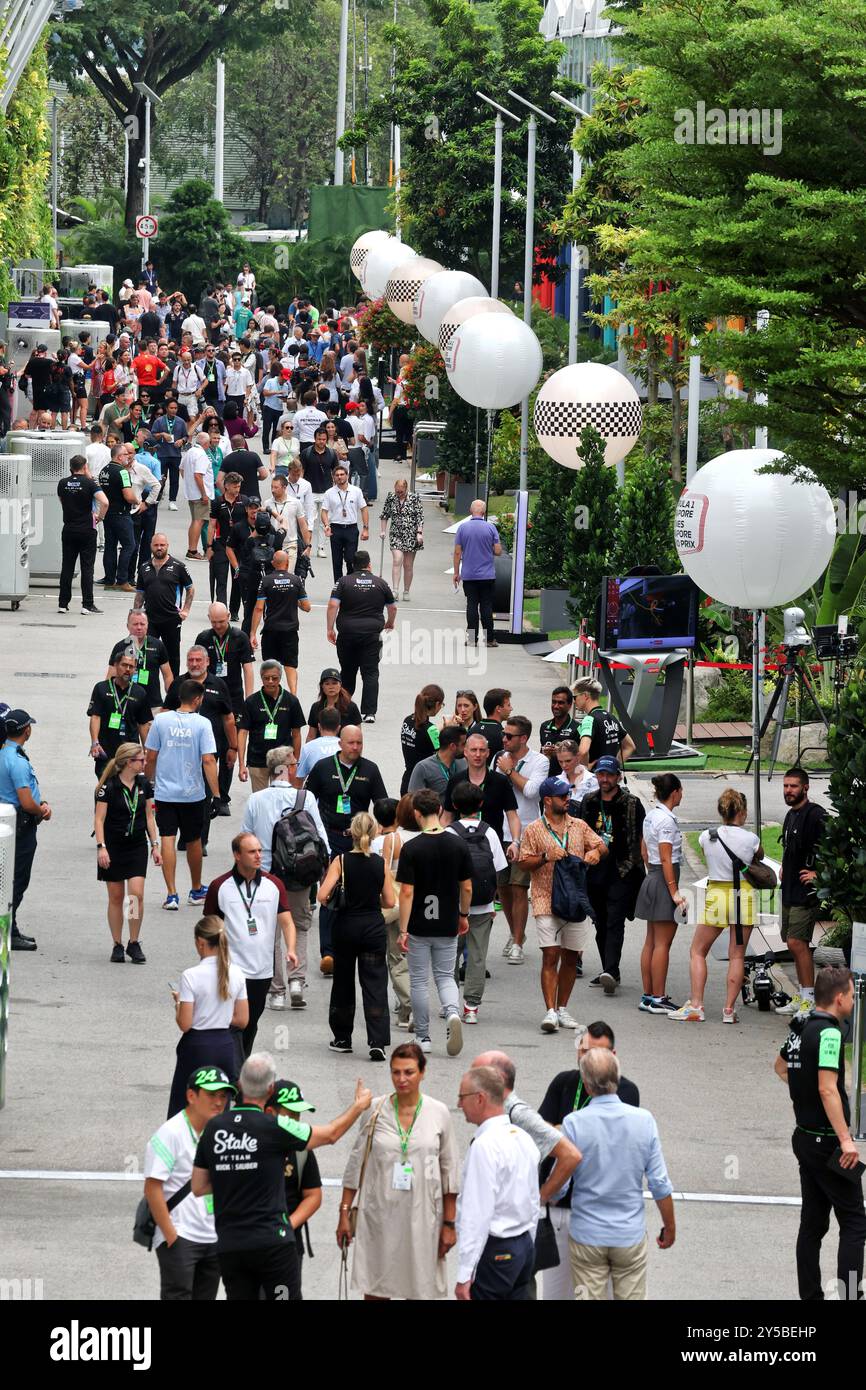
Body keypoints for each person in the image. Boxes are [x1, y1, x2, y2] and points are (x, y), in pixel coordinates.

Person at [192, 1052, 372, 1301]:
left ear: (240, 1085)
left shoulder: (214, 1128)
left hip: (231, 1243)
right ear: (270, 1088)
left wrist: (234, 1173)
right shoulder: (276, 1126)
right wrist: (359, 1106)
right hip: (272, 1245)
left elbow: (199, 1186)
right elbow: (331, 1134)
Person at [337, 1042, 460, 1299]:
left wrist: (449, 1224)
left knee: (420, 1289)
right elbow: (355, 1163)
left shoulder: (438, 1113)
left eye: (409, 1072)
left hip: (423, 1217)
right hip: (379, 1215)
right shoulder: (375, 1109)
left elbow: (449, 1171)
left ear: (422, 1073)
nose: (401, 1079)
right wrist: (344, 1213)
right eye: (396, 1072)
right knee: (376, 1288)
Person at [775, 965, 866, 1301]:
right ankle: (850, 1296)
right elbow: (829, 1089)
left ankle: (810, 1295)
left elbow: (781, 1067)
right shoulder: (830, 1033)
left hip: (804, 1136)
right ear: (839, 998)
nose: (854, 1002)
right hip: (829, 1144)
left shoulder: (800, 1028)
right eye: (853, 997)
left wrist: (807, 1092)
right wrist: (845, 1139)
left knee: (813, 1224)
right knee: (855, 1222)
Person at [557, 1048, 675, 1300]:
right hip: (628, 1235)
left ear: (587, 1086)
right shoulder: (644, 1120)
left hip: (587, 1234)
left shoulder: (573, 1123)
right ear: (617, 1079)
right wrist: (670, 1226)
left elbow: (561, 1186)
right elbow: (659, 1183)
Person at [538, 1020, 641, 1299]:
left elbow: (605, 1141)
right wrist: (569, 1134)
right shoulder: (563, 1082)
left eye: (598, 1053)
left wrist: (562, 1132)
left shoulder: (627, 1091)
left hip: (598, 1214)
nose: (589, 1060)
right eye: (585, 1052)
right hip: (560, 1211)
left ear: (614, 1057)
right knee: (555, 1295)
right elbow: (540, 1137)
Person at [241, 745, 330, 1011]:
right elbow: (320, 837)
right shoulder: (306, 798)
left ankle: (276, 990)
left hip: (265, 874)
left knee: (270, 933)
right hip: (298, 873)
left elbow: (246, 839)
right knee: (300, 926)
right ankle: (296, 981)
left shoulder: (256, 800)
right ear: (287, 769)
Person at [670, 789, 765, 1024]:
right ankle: (729, 1011)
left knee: (698, 951)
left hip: (718, 894)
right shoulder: (751, 839)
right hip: (744, 895)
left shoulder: (707, 836)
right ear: (741, 812)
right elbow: (759, 857)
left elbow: (706, 855)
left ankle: (697, 1004)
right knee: (737, 955)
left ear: (721, 811)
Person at [520, 776, 607, 1033]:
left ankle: (562, 1008)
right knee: (550, 954)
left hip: (576, 899)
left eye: (568, 795)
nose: (568, 800)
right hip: (545, 897)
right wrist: (545, 857)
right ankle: (550, 1011)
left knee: (571, 957)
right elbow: (523, 862)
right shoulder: (534, 829)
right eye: (563, 796)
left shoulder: (579, 825)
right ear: (548, 801)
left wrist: (596, 853)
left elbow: (602, 845)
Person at [144, 1066, 236, 1301]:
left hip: (213, 1237)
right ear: (191, 1096)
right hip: (180, 1236)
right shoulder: (170, 1133)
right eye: (212, 1095)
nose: (219, 1102)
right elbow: (153, 1187)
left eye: (223, 1096)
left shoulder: (223, 1134)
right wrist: (171, 1235)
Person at [204, 832, 297, 1057]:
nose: (258, 856)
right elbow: (208, 927)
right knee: (231, 1022)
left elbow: (287, 922)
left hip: (262, 971)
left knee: (250, 1022)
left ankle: (238, 1066)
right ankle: (234, 1070)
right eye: (252, 851)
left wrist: (291, 949)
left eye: (259, 851)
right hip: (230, 969)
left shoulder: (273, 885)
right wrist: (208, 961)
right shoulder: (220, 886)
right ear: (237, 855)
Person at [396, 788, 473, 1058]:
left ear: (417, 814)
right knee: (445, 975)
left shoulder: (412, 848)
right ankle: (453, 1012)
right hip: (447, 921)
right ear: (440, 810)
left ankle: (423, 1036)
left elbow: (406, 891)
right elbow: (466, 887)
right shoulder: (458, 845)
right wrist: (463, 915)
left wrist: (403, 929)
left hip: (419, 923)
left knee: (418, 979)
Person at [305, 726, 388, 976]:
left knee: (360, 894)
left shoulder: (370, 770)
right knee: (330, 894)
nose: (355, 748)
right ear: (340, 743)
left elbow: (382, 804)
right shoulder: (323, 767)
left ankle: (359, 946)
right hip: (330, 837)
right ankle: (328, 953)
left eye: (359, 743)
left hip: (359, 840)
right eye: (351, 743)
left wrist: (382, 832)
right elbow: (308, 800)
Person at [455, 1066, 540, 1300]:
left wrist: (464, 1275)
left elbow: (476, 1214)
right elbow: (534, 1201)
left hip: (496, 1251)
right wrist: (528, 1242)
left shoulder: (484, 1146)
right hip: (523, 1245)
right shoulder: (523, 1138)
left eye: (462, 1097)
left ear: (480, 1098)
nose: (459, 1104)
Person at [317, 812, 393, 1059]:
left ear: (351, 832)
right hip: (372, 927)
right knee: (375, 984)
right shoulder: (380, 862)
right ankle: (377, 1041)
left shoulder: (341, 861)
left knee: (343, 982)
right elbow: (390, 900)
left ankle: (342, 1037)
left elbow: (322, 895)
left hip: (346, 927)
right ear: (374, 833)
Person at [144, 678, 220, 911]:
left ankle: (171, 894)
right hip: (192, 794)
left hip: (165, 792)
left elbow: (151, 756)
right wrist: (216, 794)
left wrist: (148, 783)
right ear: (198, 699)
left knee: (167, 837)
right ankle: (196, 889)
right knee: (193, 840)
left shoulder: (161, 721)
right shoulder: (203, 724)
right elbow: (207, 759)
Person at [167, 917, 249, 1117]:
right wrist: (219, 1014)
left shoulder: (191, 975)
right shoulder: (237, 973)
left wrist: (179, 1003)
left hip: (197, 1047)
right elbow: (242, 1019)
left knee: (184, 1106)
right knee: (219, 1107)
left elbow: (185, 1024)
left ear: (201, 943)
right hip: (224, 1046)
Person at [580, 757, 646, 996]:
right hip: (594, 873)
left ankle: (610, 969)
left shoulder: (631, 803)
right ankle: (610, 971)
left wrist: (638, 866)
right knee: (600, 922)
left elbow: (639, 838)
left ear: (618, 776)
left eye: (609, 775)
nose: (604, 779)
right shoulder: (589, 801)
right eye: (600, 774)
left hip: (622, 871)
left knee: (615, 921)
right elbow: (580, 833)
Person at [446, 780, 508, 1026]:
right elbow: (499, 869)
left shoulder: (449, 833)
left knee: (449, 953)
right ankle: (471, 1006)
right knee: (477, 956)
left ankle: (449, 1002)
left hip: (454, 904)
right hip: (482, 905)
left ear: (453, 804)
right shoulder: (489, 832)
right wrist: (494, 901)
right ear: (481, 804)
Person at [162, 645, 236, 844]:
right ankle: (183, 834)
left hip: (209, 750)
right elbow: (165, 712)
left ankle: (199, 839)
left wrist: (233, 747)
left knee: (204, 794)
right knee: (181, 791)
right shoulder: (179, 684)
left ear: (207, 662)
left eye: (198, 660)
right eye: (191, 660)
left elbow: (228, 718)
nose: (194, 664)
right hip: (180, 749)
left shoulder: (218, 685)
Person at [93, 741, 159, 964]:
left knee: (135, 895)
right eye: (141, 760)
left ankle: (133, 941)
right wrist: (101, 848)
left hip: (137, 845)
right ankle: (117, 943)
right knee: (116, 896)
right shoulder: (108, 787)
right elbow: (99, 819)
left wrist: (156, 845)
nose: (145, 762)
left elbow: (150, 817)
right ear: (128, 762)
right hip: (112, 846)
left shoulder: (144, 784)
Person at [493, 716, 549, 965]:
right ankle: (517, 931)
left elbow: (531, 791)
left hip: (526, 832)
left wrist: (509, 771)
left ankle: (517, 942)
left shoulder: (540, 761)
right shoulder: (499, 757)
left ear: (523, 738)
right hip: (499, 831)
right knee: (502, 888)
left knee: (518, 887)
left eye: (509, 736)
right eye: (504, 735)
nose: (503, 739)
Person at [776, 768, 829, 1018]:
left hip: (806, 894)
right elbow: (790, 848)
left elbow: (836, 850)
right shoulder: (790, 816)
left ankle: (809, 999)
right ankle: (803, 994)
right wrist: (785, 868)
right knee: (791, 942)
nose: (789, 791)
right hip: (788, 890)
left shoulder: (816, 816)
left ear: (805, 787)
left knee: (798, 943)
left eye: (793, 786)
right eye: (786, 786)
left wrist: (819, 874)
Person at [264, 1079, 323, 1292]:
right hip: (248, 1245)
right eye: (290, 1115)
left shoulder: (301, 1149)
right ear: (270, 1113)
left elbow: (313, 1195)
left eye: (299, 1115)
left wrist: (287, 1226)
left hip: (286, 1247)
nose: (297, 1121)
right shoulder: (247, 1143)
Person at [634, 772, 685, 1015]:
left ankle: (648, 994)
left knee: (651, 941)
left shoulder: (651, 815)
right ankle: (658, 996)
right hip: (664, 878)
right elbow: (666, 857)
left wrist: (652, 873)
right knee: (663, 943)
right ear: (675, 792)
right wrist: (674, 891)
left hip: (652, 875)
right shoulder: (666, 820)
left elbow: (645, 850)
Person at [0, 710, 50, 951]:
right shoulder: (16, 761)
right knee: (16, 880)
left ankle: (12, 927)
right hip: (20, 826)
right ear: (26, 730)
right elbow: (26, 800)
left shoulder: (3, 753)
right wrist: (41, 811)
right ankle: (6, 931)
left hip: (8, 823)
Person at [196, 605, 254, 813]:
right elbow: (197, 667)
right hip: (209, 699)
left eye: (222, 621)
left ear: (229, 617)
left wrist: (249, 697)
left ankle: (223, 798)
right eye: (214, 622)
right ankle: (207, 793)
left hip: (234, 699)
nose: (218, 626)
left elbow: (247, 668)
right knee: (209, 748)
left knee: (230, 747)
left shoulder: (240, 637)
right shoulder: (203, 638)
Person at [327, 551, 396, 724]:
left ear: (352, 565)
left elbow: (333, 605)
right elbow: (393, 607)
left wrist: (330, 628)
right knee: (370, 672)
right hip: (371, 635)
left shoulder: (343, 582)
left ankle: (343, 707)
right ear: (369, 564)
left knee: (348, 671)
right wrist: (390, 622)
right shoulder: (381, 583)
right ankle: (369, 712)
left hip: (347, 633)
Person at [371, 797, 413, 1030]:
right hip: (405, 902)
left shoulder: (376, 843)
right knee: (403, 958)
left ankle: (406, 1004)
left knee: (391, 958)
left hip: (385, 905)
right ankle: (408, 1004)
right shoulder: (404, 839)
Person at [442, 731, 520, 851]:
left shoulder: (500, 781)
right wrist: (442, 842)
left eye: (482, 750)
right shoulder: (455, 781)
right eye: (473, 750)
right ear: (465, 752)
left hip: (492, 847)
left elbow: (512, 815)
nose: (478, 754)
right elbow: (447, 817)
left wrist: (515, 842)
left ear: (488, 753)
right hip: (460, 847)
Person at [237, 660, 305, 793]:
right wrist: (241, 764)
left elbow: (296, 733)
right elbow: (243, 732)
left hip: (283, 761)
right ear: (261, 677)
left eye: (274, 678)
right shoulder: (251, 702)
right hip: (257, 760)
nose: (270, 682)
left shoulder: (291, 701)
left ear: (280, 678)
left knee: (281, 800)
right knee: (261, 801)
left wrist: (295, 763)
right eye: (266, 678)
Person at [250, 551, 311, 695]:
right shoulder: (296, 580)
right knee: (290, 665)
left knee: (270, 666)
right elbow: (307, 607)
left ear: (273, 563)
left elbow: (259, 608)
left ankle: (270, 694)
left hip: (271, 629)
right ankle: (293, 695)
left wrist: (252, 632)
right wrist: (294, 600)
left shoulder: (266, 581)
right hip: (290, 630)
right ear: (288, 563)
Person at [135, 533, 195, 679]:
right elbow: (140, 594)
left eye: (162, 545)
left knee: (172, 657)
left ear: (167, 546)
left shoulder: (178, 566)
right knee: (146, 656)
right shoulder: (144, 567)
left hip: (171, 619)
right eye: (156, 545)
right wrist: (136, 615)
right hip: (150, 620)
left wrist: (186, 610)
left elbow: (190, 589)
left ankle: (172, 692)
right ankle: (145, 688)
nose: (159, 548)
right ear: (151, 547)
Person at [87, 651, 153, 779]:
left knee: (128, 787)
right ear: (116, 665)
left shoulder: (140, 693)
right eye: (124, 665)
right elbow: (95, 717)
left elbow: (143, 725)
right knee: (105, 788)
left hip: (130, 752)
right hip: (106, 750)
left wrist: (146, 752)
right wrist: (95, 742)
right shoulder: (101, 688)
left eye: (131, 667)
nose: (127, 669)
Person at [57, 454, 108, 615]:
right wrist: (100, 516)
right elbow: (105, 502)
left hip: (69, 528)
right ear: (85, 467)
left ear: (71, 467)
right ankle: (87, 604)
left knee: (67, 566)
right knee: (87, 568)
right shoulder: (90, 483)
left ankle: (63, 604)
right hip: (86, 529)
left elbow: (62, 501)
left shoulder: (62, 483)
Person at [452, 500, 502, 648]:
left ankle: (472, 638)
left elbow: (457, 552)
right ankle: (490, 639)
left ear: (470, 510)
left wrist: (456, 572)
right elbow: (498, 551)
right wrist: (488, 548)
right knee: (486, 606)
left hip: (469, 574)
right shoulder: (491, 528)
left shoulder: (462, 528)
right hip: (487, 575)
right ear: (484, 512)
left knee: (472, 605)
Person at [108, 609, 173, 712]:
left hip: (153, 704)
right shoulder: (120, 647)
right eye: (135, 624)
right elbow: (110, 677)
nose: (139, 627)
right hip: (126, 703)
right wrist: (110, 701)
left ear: (147, 625)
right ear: (127, 626)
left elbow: (167, 675)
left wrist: (170, 701)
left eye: (142, 624)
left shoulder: (157, 645)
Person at [98, 441, 138, 592]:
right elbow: (128, 496)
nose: (128, 457)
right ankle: (123, 580)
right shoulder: (122, 472)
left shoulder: (104, 471)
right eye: (126, 454)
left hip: (108, 514)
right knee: (129, 545)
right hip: (121, 514)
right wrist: (136, 500)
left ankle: (109, 579)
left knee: (110, 546)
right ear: (120, 457)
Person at [572, 676, 635, 768]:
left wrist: (586, 770)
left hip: (596, 778)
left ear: (585, 696)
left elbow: (583, 751)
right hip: (609, 778)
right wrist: (612, 767)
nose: (574, 701)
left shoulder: (589, 719)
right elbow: (630, 747)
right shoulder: (612, 717)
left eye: (575, 697)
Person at [321, 463, 369, 581]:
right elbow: (324, 511)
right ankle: (338, 586)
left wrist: (365, 528)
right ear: (333, 477)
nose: (339, 477)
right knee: (336, 561)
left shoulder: (356, 491)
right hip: (336, 528)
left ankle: (349, 583)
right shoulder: (329, 492)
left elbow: (364, 509)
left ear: (347, 476)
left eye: (342, 474)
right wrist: (327, 525)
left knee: (351, 559)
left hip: (351, 528)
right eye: (337, 475)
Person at [379, 479, 424, 601]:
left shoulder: (414, 498)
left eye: (401, 492)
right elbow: (384, 515)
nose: (399, 494)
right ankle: (395, 590)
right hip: (396, 534)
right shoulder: (391, 497)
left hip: (411, 535)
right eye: (397, 491)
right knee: (397, 559)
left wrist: (419, 533)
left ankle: (406, 590)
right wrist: (383, 530)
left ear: (406, 489)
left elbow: (420, 517)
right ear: (394, 488)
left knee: (408, 565)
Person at [207, 471, 245, 611]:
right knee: (221, 579)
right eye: (235, 486)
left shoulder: (244, 501)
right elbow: (212, 525)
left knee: (238, 579)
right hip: (221, 545)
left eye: (239, 486)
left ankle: (234, 611)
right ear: (227, 486)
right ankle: (222, 609)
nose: (237, 489)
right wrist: (209, 546)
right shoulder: (217, 502)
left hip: (239, 547)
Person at [399, 684, 445, 794]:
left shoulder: (407, 720)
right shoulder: (430, 730)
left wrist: (443, 726)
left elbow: (423, 735)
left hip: (407, 780)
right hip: (423, 784)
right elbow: (443, 754)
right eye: (442, 705)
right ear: (437, 704)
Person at [263, 474, 311, 572]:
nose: (273, 490)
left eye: (276, 487)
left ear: (284, 487)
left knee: (288, 575)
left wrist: (308, 546)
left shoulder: (295, 503)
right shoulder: (267, 504)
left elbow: (303, 525)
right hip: (273, 545)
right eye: (271, 487)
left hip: (290, 545)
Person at [182, 431, 215, 561]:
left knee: (195, 520)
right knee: (199, 521)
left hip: (192, 493)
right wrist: (203, 494)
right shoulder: (201, 454)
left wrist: (188, 484)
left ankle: (192, 549)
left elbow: (182, 469)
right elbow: (198, 475)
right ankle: (193, 550)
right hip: (200, 494)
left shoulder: (190, 451)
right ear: (206, 443)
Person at [408, 724, 466, 796]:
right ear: (453, 746)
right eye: (463, 744)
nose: (466, 748)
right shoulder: (423, 768)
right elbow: (413, 798)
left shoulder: (464, 763)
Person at [305, 668, 361, 743]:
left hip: (343, 751)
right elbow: (311, 735)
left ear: (340, 685)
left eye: (334, 683)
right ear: (322, 686)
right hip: (321, 750)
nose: (331, 687)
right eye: (327, 684)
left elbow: (358, 735)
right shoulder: (316, 707)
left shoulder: (351, 707)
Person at [151, 398, 186, 509]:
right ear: (166, 408)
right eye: (171, 408)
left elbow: (186, 436)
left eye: (175, 408)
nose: (174, 410)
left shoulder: (181, 421)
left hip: (176, 454)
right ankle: (156, 498)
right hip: (162, 453)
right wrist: (162, 434)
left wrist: (182, 441)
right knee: (161, 478)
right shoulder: (159, 421)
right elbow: (153, 435)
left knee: (175, 478)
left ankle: (172, 500)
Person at [539, 686, 582, 775]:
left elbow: (581, 757)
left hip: (568, 779)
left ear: (570, 705)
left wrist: (561, 753)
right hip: (547, 778)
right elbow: (541, 754)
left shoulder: (577, 728)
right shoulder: (544, 726)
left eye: (560, 703)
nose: (556, 706)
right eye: (553, 702)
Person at [553, 739, 598, 819]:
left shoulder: (595, 781)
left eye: (568, 761)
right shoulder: (555, 782)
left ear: (578, 757)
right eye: (560, 761)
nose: (564, 765)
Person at [295, 704, 341, 781]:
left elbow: (299, 778)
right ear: (338, 728)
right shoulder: (346, 747)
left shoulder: (308, 748)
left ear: (319, 727)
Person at [470, 687, 512, 764]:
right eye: (508, 705)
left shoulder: (472, 730)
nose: (511, 708)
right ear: (498, 708)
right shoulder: (503, 735)